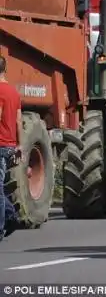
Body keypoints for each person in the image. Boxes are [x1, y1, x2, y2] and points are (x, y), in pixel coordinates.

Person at [0, 55, 21, 241]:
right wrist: (19, 144)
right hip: (10, 145)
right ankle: (11, 216)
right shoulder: (14, 92)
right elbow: (18, 120)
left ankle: (4, 224)